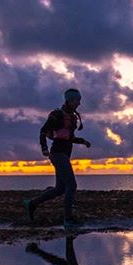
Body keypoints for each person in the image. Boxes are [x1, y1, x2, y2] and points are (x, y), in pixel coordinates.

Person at [25, 88, 91, 230]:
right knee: (71, 186)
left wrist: (82, 141)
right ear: (69, 100)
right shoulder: (56, 115)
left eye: (79, 100)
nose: (79, 103)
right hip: (57, 154)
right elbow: (43, 131)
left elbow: (69, 138)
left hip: (65, 154)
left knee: (60, 189)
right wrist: (44, 148)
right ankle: (68, 220)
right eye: (77, 100)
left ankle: (32, 203)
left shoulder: (72, 118)